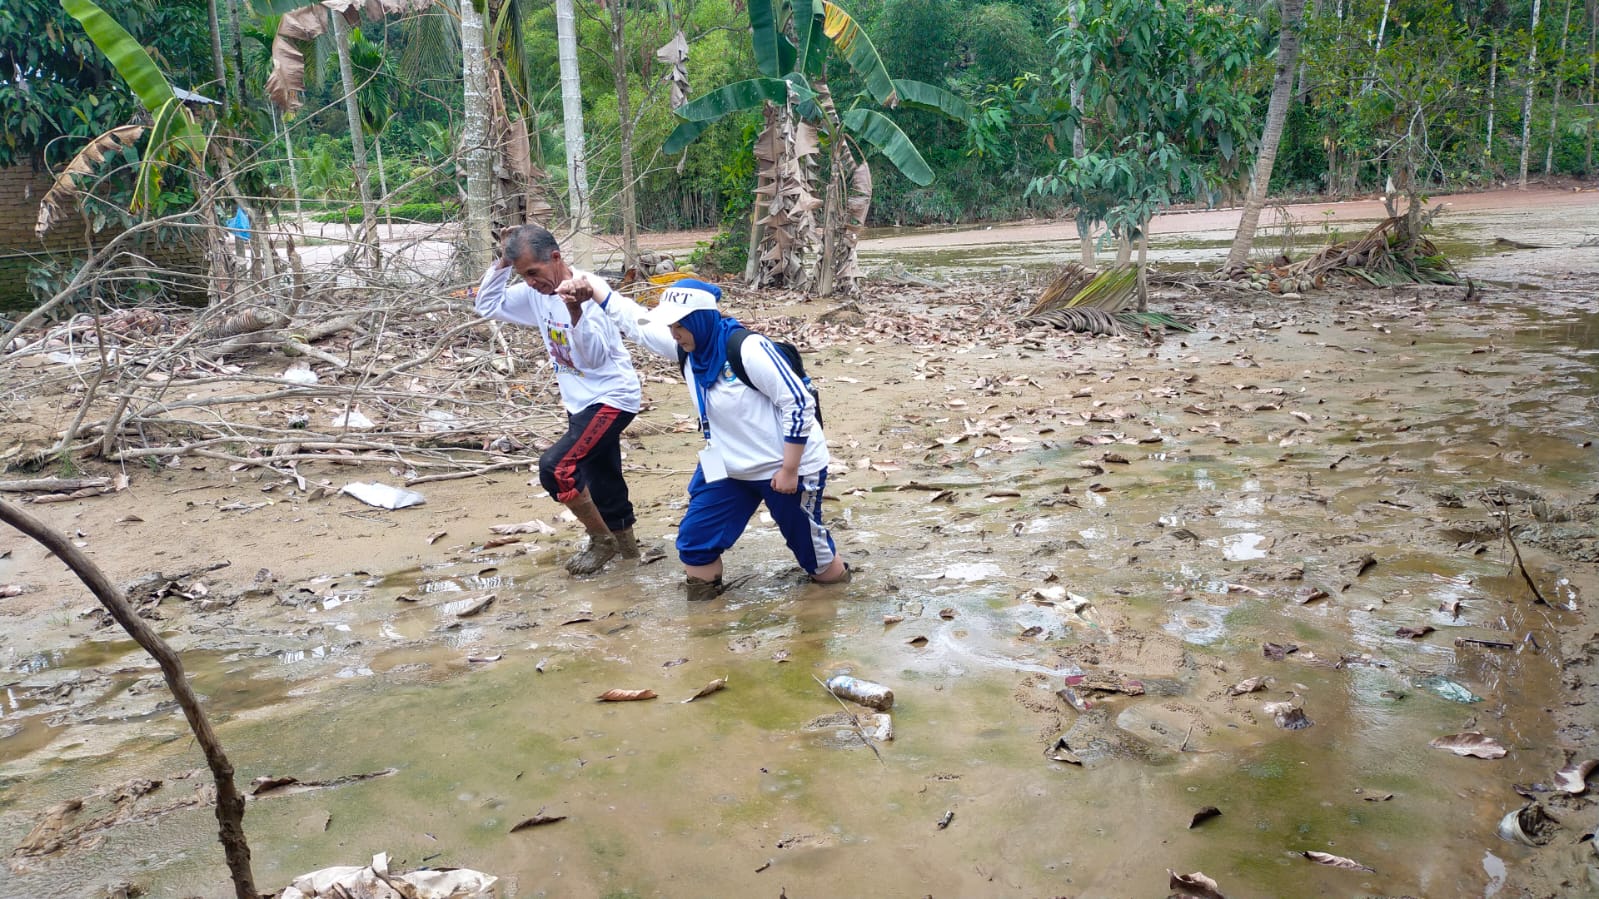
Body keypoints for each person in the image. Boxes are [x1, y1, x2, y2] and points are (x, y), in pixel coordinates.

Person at [579, 277, 848, 600]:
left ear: (701, 320)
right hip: (727, 463)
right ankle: (706, 621)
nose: (674, 333)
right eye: (670, 326)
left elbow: (798, 402)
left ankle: (838, 601)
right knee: (695, 542)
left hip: (785, 466)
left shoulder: (748, 349)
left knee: (814, 558)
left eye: (681, 325)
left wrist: (790, 469)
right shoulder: (687, 350)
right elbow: (634, 321)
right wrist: (592, 290)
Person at [475, 225, 642, 575]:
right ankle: (629, 553)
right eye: (523, 275)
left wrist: (577, 312)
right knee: (602, 473)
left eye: (533, 273)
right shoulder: (536, 292)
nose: (531, 282)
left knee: (557, 467)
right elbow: (487, 304)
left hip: (612, 396)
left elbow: (594, 359)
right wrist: (503, 262)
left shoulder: (590, 290)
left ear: (555, 257)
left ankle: (602, 540)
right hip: (580, 401)